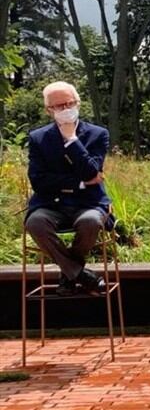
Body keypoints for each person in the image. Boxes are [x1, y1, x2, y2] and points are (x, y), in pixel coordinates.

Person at [25, 81, 111, 296]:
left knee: (90, 222)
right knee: (35, 223)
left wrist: (71, 140)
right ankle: (80, 274)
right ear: (48, 110)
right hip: (50, 203)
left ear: (78, 104)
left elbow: (92, 172)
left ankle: (68, 275)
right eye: (57, 106)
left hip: (88, 203)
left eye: (68, 103)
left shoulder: (97, 134)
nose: (64, 109)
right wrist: (78, 183)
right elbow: (38, 180)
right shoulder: (38, 138)